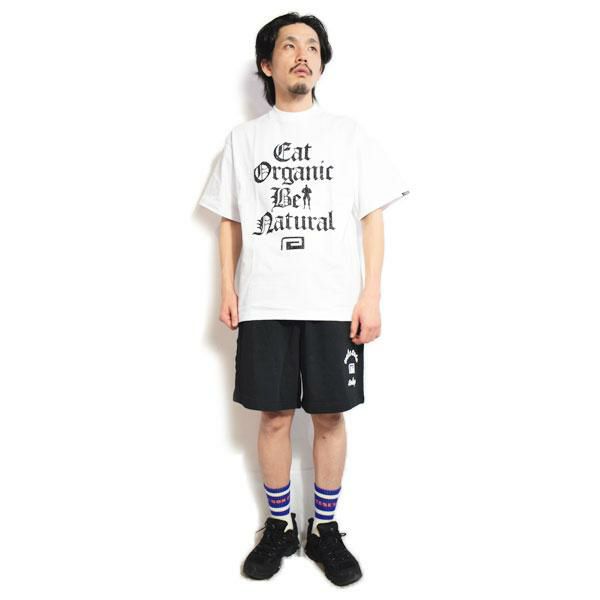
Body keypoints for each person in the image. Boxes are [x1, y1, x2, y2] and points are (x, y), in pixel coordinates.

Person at [198, 12, 410, 586]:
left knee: (330, 416)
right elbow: (228, 220)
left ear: (320, 64)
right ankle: (278, 526)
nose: (302, 54)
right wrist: (227, 287)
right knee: (273, 417)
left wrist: (371, 295)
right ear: (267, 65)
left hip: (332, 303)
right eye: (289, 45)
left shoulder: (348, 134)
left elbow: (372, 217)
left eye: (312, 47)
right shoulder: (244, 140)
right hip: (265, 301)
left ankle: (325, 529)